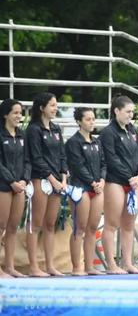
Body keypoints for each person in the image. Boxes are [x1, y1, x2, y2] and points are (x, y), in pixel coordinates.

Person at [100, 95, 138, 274]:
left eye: (132, 112)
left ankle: (128, 263)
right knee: (111, 224)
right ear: (116, 111)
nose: (131, 115)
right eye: (128, 112)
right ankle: (111, 264)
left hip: (134, 182)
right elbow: (111, 159)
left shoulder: (132, 130)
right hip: (116, 181)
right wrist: (130, 177)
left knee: (129, 224)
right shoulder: (108, 133)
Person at [26, 92, 68, 277]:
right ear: (42, 108)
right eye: (52, 105)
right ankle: (34, 266)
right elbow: (36, 158)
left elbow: (62, 155)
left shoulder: (56, 128)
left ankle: (50, 265)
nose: (55, 108)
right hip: (41, 180)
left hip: (58, 182)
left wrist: (64, 178)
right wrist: (52, 179)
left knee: (50, 224)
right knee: (35, 224)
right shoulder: (33, 130)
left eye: (56, 105)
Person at [65, 107, 106, 275]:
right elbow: (77, 166)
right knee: (79, 227)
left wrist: (102, 180)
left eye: (93, 119)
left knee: (92, 228)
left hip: (96, 188)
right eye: (88, 119)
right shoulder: (73, 143)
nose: (92, 122)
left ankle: (89, 266)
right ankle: (77, 267)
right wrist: (92, 182)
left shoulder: (96, 142)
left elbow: (104, 163)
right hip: (80, 187)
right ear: (79, 122)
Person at [0, 99, 30, 278]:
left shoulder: (22, 135)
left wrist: (25, 180)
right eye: (15, 113)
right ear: (5, 114)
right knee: (1, 225)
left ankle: (9, 266)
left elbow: (27, 160)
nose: (19, 116)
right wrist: (12, 181)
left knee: (12, 227)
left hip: (19, 186)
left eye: (20, 113)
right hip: (4, 185)